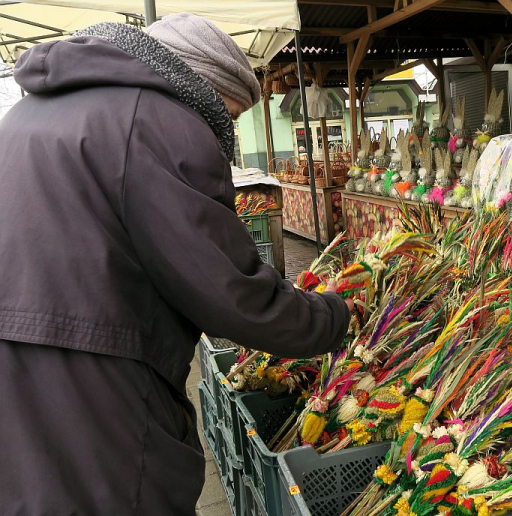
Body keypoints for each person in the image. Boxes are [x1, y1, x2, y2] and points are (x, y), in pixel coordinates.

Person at [0, 13, 351, 515]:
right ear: (203, 86)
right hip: (93, 378)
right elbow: (234, 294)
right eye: (227, 114)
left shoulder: (33, 110)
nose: (223, 130)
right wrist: (334, 316)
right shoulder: (161, 120)